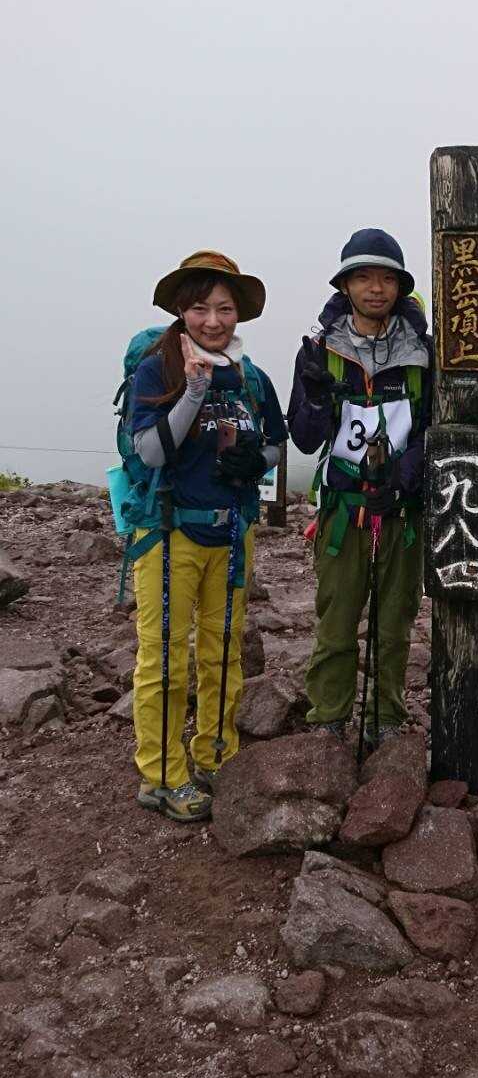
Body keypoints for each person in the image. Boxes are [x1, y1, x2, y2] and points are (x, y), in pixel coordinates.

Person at [129, 251, 287, 822]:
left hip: (231, 532)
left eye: (224, 308)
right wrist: (193, 392)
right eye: (200, 309)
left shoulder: (250, 377)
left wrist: (256, 460)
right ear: (181, 310)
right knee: (165, 659)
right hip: (168, 533)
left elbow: (277, 442)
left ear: (238, 312)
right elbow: (150, 452)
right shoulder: (158, 369)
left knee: (223, 652)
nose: (213, 321)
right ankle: (161, 776)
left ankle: (217, 756)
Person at [288, 228, 431, 743]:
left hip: (401, 507)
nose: (375, 288)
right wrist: (315, 397)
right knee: (337, 617)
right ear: (345, 284)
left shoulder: (423, 353)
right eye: (363, 277)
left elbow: (431, 428)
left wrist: (403, 478)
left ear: (400, 287)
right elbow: (304, 437)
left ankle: (386, 718)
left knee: (395, 621)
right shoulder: (318, 351)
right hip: (343, 507)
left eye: (386, 278)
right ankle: (328, 718)